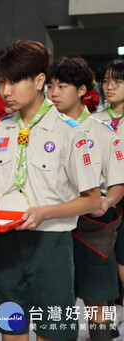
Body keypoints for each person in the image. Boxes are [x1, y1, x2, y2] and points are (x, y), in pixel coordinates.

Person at [0, 40, 101, 341]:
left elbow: (92, 199)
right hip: (7, 245)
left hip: (51, 248)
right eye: (1, 82)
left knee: (50, 331)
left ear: (38, 80)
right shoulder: (3, 130)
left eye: (14, 81)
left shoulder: (69, 132)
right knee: (12, 329)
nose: (6, 91)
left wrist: (46, 211)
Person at [47, 56, 124, 341]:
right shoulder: (40, 130)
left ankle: (101, 338)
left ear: (81, 90)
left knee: (96, 298)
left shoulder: (103, 132)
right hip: (53, 223)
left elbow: (116, 182)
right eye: (51, 86)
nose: (54, 93)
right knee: (56, 298)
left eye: (62, 86)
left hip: (93, 226)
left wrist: (105, 203)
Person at [92, 58, 124, 300]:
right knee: (105, 259)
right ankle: (109, 316)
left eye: (117, 81)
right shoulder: (94, 119)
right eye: (105, 81)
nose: (109, 87)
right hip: (102, 197)